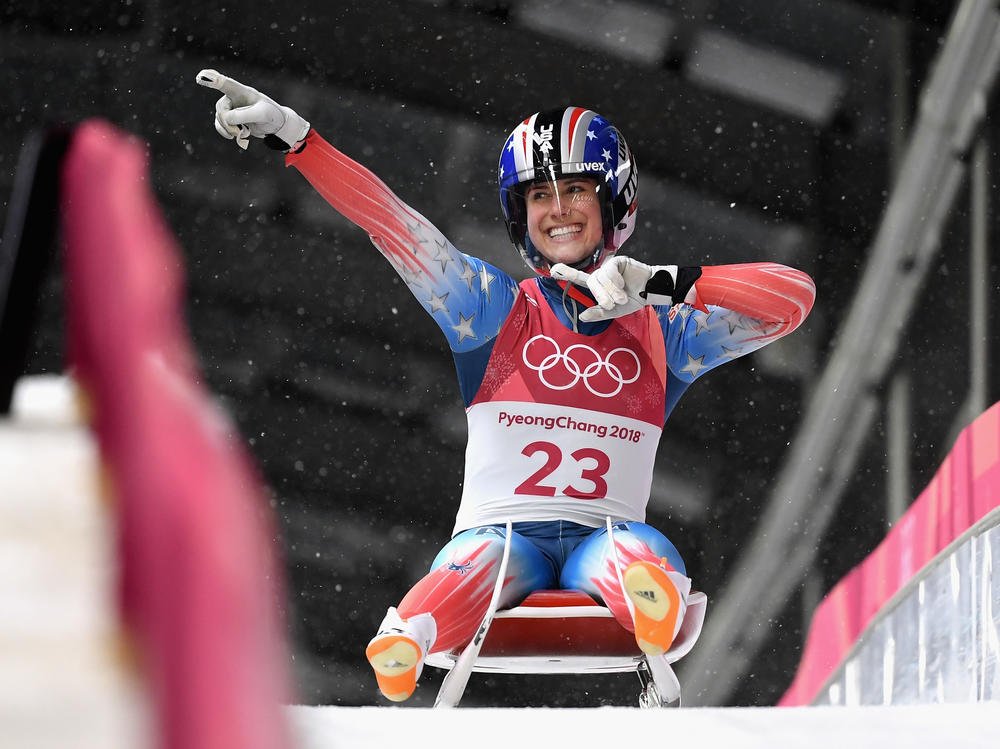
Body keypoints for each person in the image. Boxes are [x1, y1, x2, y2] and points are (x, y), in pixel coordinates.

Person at [196, 70, 817, 703]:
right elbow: (396, 228)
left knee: (632, 549)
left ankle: (640, 596)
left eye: (576, 189)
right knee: (482, 562)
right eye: (538, 196)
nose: (558, 210)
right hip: (501, 537)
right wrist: (298, 139)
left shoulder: (668, 332)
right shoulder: (491, 308)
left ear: (614, 203)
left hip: (603, 534)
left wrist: (657, 282)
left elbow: (793, 299)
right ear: (520, 215)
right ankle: (409, 635)